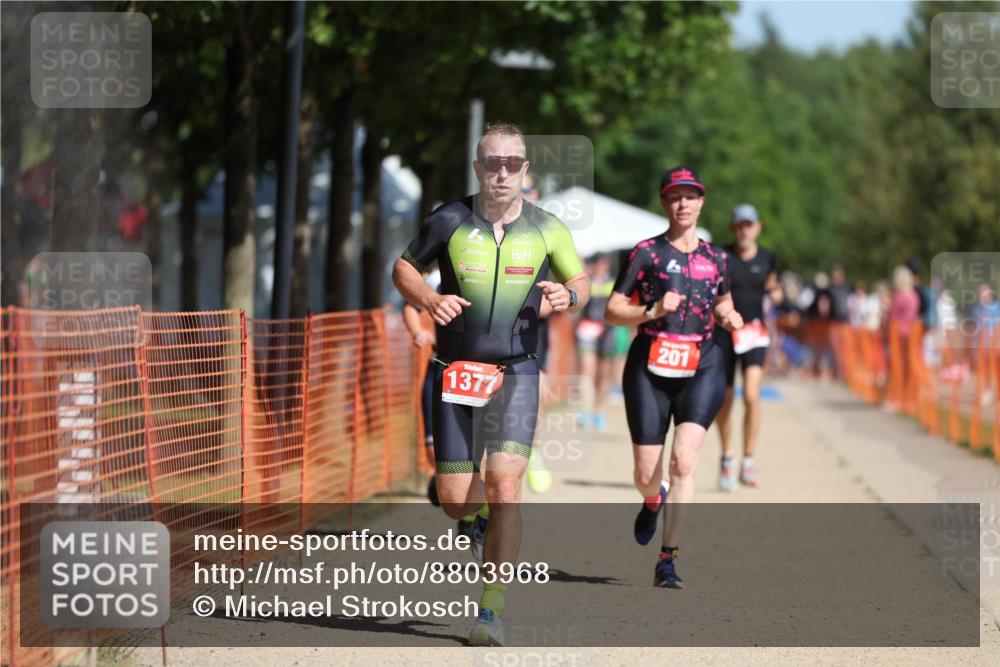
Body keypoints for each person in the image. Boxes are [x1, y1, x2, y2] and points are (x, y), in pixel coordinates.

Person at [392, 122, 589, 646]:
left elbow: (581, 281)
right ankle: (473, 517)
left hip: (517, 371)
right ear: (478, 168)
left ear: (524, 170)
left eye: (512, 163)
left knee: (506, 485)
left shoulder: (547, 227)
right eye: (492, 162)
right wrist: (429, 300)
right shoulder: (449, 220)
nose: (502, 172)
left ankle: (491, 611)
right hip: (454, 372)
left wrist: (571, 297)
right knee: (454, 499)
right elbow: (404, 269)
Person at [605, 166, 742, 589]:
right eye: (675, 196)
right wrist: (653, 310)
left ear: (702, 202)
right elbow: (612, 311)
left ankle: (668, 559)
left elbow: (722, 301)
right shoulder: (645, 252)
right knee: (647, 471)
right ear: (665, 203)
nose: (683, 203)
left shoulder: (717, 257)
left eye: (691, 196)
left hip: (703, 364)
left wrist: (729, 315)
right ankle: (651, 496)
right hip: (650, 364)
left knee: (684, 460)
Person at [712, 204, 779, 491]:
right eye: (739, 225)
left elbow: (773, 286)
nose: (744, 230)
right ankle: (727, 456)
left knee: (752, 395)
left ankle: (748, 460)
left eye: (749, 224)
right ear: (732, 228)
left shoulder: (767, 257)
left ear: (758, 227)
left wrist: (776, 295)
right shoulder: (722, 256)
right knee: (725, 399)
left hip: (753, 333)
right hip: (724, 334)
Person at [401, 270, 442, 505]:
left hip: (478, 370)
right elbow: (411, 305)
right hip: (439, 365)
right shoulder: (437, 278)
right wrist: (418, 332)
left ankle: (473, 511)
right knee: (433, 451)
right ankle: (446, 482)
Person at [576, 253, 617, 429]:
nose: (600, 267)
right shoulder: (588, 282)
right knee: (587, 372)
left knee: (603, 376)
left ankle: (598, 411)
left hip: (607, 332)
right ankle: (585, 411)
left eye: (603, 265)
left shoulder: (613, 283)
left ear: (607, 266)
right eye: (597, 264)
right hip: (587, 330)